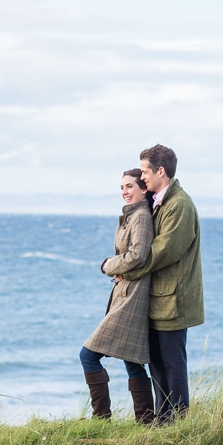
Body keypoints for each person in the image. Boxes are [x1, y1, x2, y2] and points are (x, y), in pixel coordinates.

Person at [118, 144, 204, 422]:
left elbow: (163, 250)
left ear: (161, 171)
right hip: (159, 297)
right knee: (156, 361)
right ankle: (163, 415)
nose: (142, 177)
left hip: (174, 299)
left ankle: (178, 418)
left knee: (172, 362)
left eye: (145, 171)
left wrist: (126, 270)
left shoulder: (179, 204)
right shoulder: (160, 201)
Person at [80, 169, 155, 423]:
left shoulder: (141, 217)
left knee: (88, 355)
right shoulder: (130, 216)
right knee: (132, 359)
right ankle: (145, 420)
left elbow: (138, 255)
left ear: (143, 189)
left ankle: (101, 418)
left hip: (132, 296)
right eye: (121, 187)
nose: (124, 191)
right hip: (124, 292)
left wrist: (108, 265)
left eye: (130, 186)